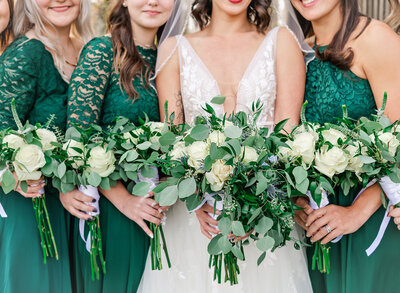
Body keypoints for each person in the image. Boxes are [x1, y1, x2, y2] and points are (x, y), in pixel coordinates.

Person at [138, 0, 313, 292]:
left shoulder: (282, 42)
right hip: (197, 219)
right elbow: (173, 139)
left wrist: (258, 206)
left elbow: (288, 135)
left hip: (265, 212)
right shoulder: (174, 49)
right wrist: (196, 199)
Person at [64, 0, 174, 292]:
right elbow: (79, 136)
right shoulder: (102, 51)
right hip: (110, 206)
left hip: (162, 208)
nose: (153, 2)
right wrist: (126, 202)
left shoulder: (176, 55)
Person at [291, 0, 400, 292]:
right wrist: (297, 204)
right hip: (318, 227)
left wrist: (355, 213)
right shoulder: (297, 50)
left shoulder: (377, 39)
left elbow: (399, 143)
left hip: (375, 220)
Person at [0, 0, 92, 292]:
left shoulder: (90, 49)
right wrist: (12, 173)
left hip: (81, 208)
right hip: (32, 207)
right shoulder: (26, 53)